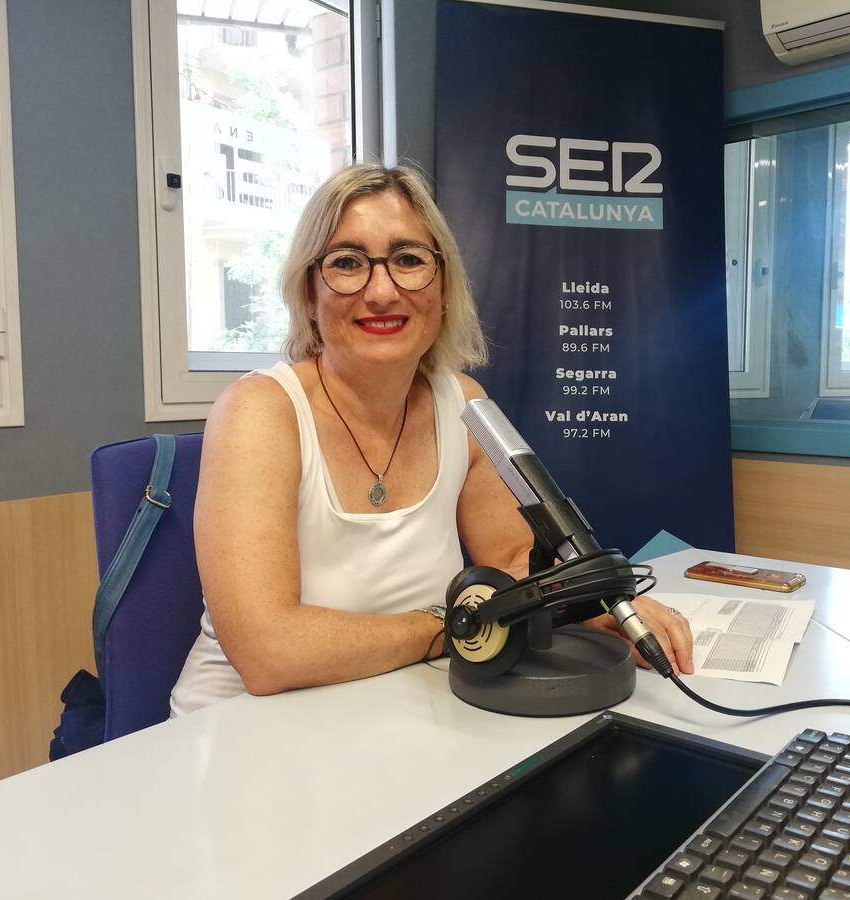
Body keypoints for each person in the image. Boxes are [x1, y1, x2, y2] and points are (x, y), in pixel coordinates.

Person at [169, 163, 693, 716]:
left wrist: (589, 607)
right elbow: (269, 653)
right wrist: (464, 625)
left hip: (396, 707)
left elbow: (516, 561)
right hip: (239, 726)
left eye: (408, 260)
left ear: (443, 287)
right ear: (308, 294)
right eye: (346, 263)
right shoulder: (258, 411)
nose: (381, 291)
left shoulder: (464, 403)